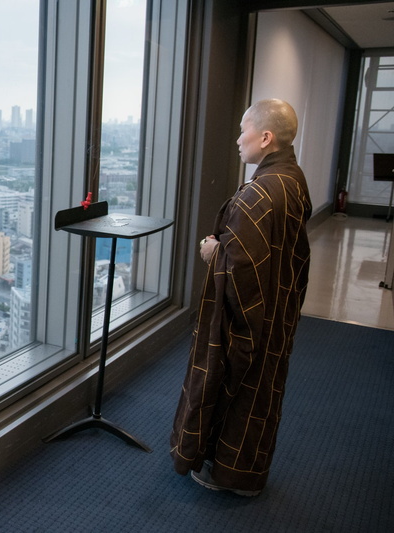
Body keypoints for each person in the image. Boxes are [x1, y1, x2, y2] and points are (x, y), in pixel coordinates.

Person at [169, 98, 312, 496]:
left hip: (253, 317)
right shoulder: (292, 179)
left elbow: (241, 268)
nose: (237, 139)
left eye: (244, 129)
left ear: (266, 137)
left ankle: (231, 477)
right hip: (277, 308)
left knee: (239, 390)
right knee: (263, 393)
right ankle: (247, 473)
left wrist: (214, 252)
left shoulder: (259, 195)